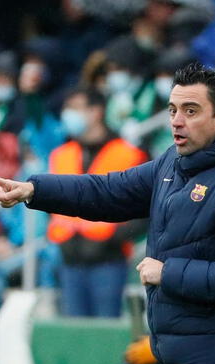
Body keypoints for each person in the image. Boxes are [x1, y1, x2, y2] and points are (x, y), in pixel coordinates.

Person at [0, 63, 215, 364]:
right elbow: (108, 191)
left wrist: (167, 272)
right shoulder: (172, 163)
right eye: (173, 111)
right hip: (177, 352)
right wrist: (35, 190)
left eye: (191, 111)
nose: (177, 122)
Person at [52, 87, 147, 317]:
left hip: (108, 259)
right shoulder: (62, 153)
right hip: (69, 257)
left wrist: (116, 237)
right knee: (73, 335)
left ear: (96, 112)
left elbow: (146, 207)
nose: (68, 114)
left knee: (105, 333)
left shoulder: (129, 153)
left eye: (76, 108)